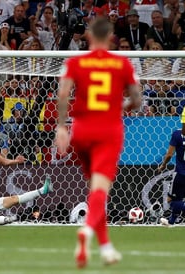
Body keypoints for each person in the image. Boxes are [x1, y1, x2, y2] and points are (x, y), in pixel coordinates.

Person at [55, 18, 142, 268]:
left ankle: (106, 248)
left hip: (80, 130)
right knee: (100, 191)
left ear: (90, 36)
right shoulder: (122, 63)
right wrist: (123, 105)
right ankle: (86, 233)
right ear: (112, 36)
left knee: (94, 191)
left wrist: (62, 127)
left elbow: (63, 95)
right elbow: (137, 99)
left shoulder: (75, 62)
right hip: (108, 130)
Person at [157, 129, 185, 227]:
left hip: (180, 174)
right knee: (179, 199)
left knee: (171, 200)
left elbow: (169, 154)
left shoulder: (178, 134)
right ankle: (171, 222)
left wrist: (163, 165)